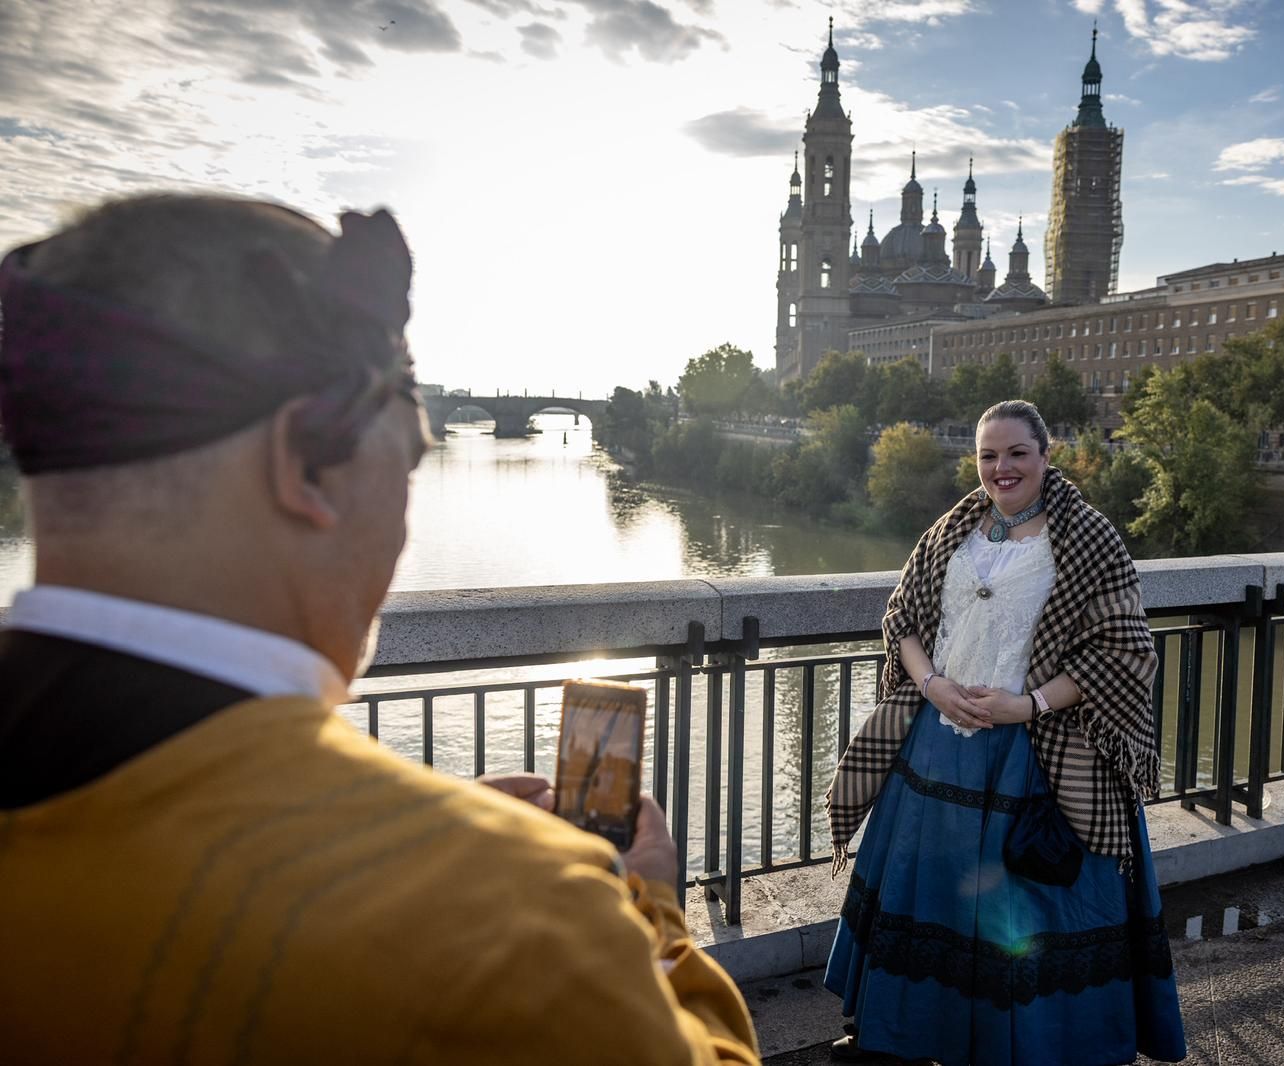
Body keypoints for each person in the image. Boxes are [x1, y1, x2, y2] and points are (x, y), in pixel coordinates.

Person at [0, 194, 758, 1065]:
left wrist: (412, 832)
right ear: (306, 468)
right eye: (406, 462)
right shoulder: (522, 923)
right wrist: (649, 915)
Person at [823, 400, 1185, 1066]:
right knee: (929, 895)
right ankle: (906, 1034)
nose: (1001, 467)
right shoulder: (954, 528)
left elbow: (1124, 652)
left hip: (1039, 759)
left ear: (1047, 456)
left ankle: (1032, 1047)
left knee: (1025, 916)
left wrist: (1032, 705)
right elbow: (902, 620)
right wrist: (932, 685)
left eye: (1017, 452)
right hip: (937, 747)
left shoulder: (1089, 539)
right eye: (989, 455)